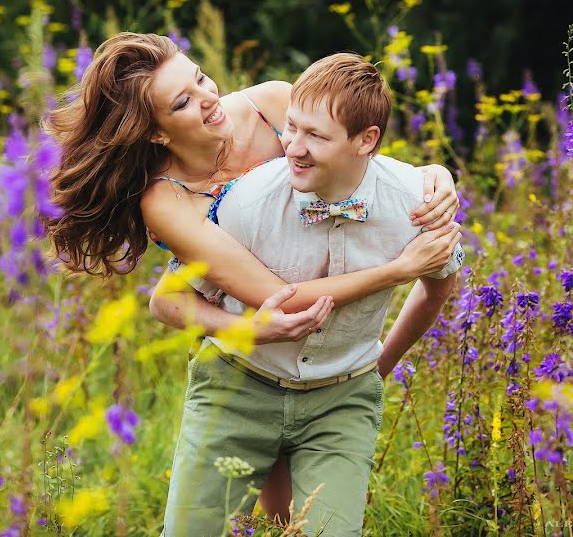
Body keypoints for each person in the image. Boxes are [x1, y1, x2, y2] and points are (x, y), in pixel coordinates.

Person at [43, 33, 460, 524]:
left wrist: (435, 175)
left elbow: (362, 159)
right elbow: (274, 299)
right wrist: (399, 271)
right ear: (157, 133)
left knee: (299, 520)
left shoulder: (273, 105)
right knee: (275, 511)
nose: (209, 98)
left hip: (329, 372)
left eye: (199, 77)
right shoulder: (167, 201)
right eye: (182, 102)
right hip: (250, 349)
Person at [153, 52, 463, 536]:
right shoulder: (245, 201)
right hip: (239, 387)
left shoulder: (413, 202)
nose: (292, 147)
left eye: (315, 135)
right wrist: (396, 270)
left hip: (341, 401)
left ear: (367, 141)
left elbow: (440, 284)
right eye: (290, 128)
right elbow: (169, 299)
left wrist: (376, 367)